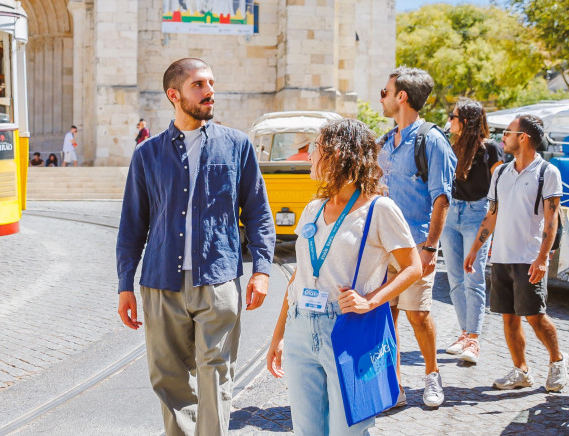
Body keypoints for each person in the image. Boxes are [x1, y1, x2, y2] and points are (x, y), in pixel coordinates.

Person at [116, 58, 275, 436]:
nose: (209, 92)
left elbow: (258, 212)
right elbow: (132, 225)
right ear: (175, 95)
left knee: (216, 372)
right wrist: (125, 284)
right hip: (160, 283)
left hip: (217, 280)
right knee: (167, 377)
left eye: (211, 84)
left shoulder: (237, 145)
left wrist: (263, 270)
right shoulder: (147, 155)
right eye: (199, 85)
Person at [266, 118, 422, 435]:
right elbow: (301, 273)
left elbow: (413, 267)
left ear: (336, 154)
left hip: (349, 330)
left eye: (315, 148)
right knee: (308, 431)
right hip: (300, 327)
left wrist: (371, 301)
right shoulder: (313, 209)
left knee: (348, 431)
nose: (308, 156)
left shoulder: (380, 209)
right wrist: (279, 334)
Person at [464, 114, 567, 392]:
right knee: (508, 317)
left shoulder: (547, 172)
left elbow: (552, 219)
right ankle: (521, 371)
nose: (502, 138)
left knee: (535, 316)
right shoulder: (500, 172)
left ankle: (557, 361)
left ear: (523, 137)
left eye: (508, 132)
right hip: (501, 258)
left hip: (529, 257)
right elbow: (491, 216)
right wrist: (475, 249)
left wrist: (543, 258)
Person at [378, 67, 456, 408]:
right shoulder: (384, 142)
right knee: (387, 316)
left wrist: (430, 249)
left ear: (401, 97)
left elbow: (442, 199)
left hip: (415, 248)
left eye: (385, 91)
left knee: (418, 314)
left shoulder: (432, 140)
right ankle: (393, 386)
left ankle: (432, 375)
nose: (381, 97)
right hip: (382, 250)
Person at [440, 99, 502, 364]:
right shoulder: (449, 147)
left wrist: (494, 217)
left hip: (477, 215)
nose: (449, 120)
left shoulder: (491, 149)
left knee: (473, 279)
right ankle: (464, 333)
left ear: (465, 121)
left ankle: (474, 340)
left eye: (453, 116)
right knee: (454, 278)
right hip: (450, 214)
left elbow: (500, 187)